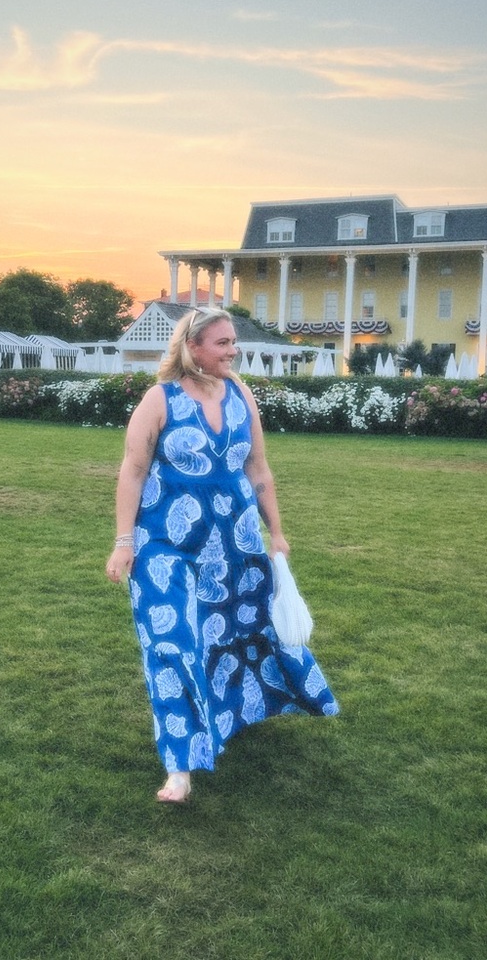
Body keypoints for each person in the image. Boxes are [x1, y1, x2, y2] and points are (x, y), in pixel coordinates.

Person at [106, 308, 339, 804]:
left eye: (233, 342)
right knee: (172, 644)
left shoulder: (240, 393)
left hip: (235, 545)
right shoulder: (160, 400)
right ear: (192, 348)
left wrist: (276, 532)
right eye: (222, 343)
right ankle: (180, 768)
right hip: (165, 547)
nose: (233, 350)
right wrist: (124, 542)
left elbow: (258, 467)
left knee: (239, 636)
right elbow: (132, 470)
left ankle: (235, 716)